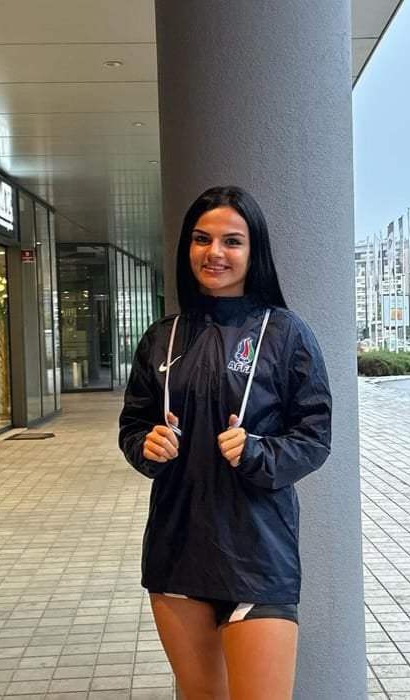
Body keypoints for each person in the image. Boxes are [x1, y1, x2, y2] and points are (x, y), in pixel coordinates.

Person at [118, 186, 332, 699]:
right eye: (202, 239)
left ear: (254, 251)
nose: (215, 252)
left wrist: (259, 452)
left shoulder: (286, 334)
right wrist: (147, 446)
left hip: (258, 553)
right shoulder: (161, 338)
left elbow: (315, 436)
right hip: (177, 551)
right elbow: (133, 424)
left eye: (232, 241)